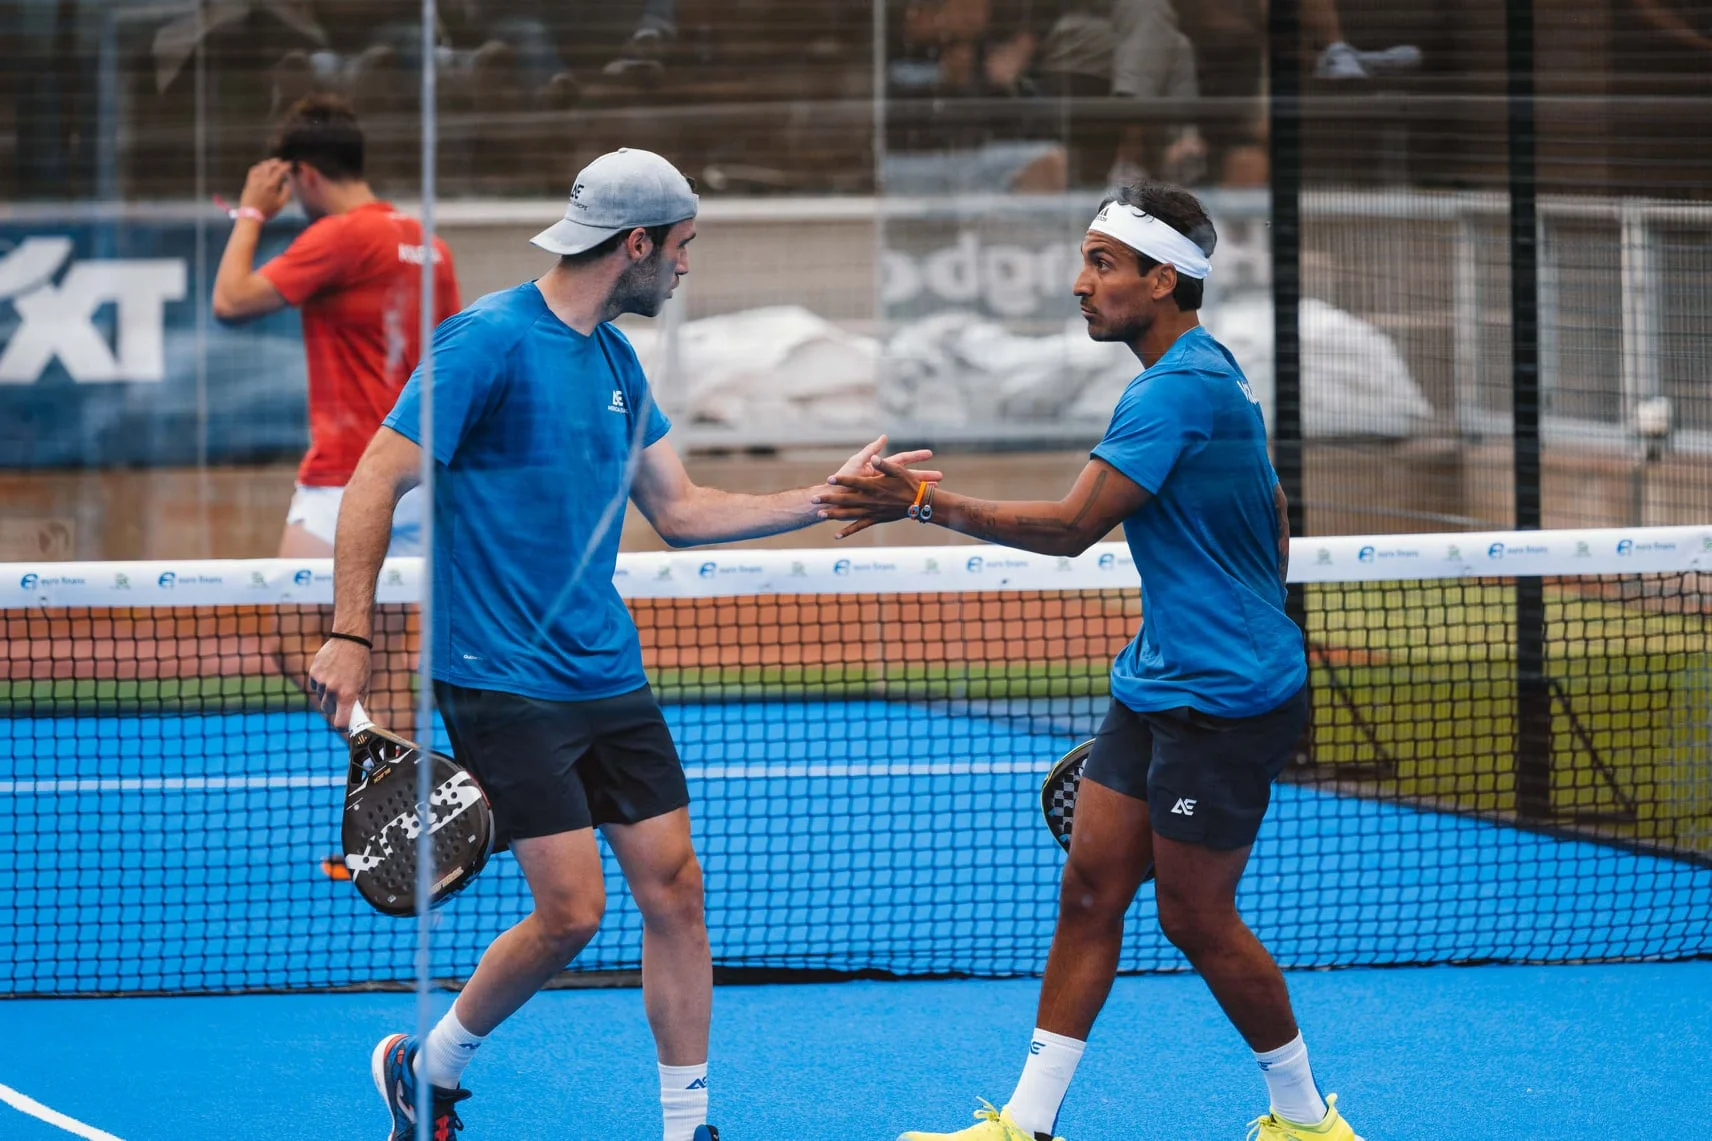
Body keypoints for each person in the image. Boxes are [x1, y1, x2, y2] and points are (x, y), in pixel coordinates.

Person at [305, 147, 939, 1141]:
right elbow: (375, 478)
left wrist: (824, 498)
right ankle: (427, 1068)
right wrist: (350, 631)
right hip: (498, 676)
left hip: (604, 670)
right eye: (681, 245)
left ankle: (686, 1127)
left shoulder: (614, 360)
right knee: (571, 912)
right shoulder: (486, 342)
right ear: (635, 243)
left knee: (675, 890)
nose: (685, 265)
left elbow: (680, 511)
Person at [815, 181, 1364, 1141]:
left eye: (1102, 264)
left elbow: (1072, 528)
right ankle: (1025, 1124)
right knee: (1090, 888)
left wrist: (922, 501)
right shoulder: (1209, 369)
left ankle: (1308, 1120)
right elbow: (1271, 505)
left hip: (1221, 700)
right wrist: (1230, 609)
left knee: (1195, 917)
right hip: (1159, 682)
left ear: (1162, 279)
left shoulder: (1175, 390)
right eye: (1084, 261)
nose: (1080, 283)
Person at [212, 93, 460, 727]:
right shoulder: (429, 245)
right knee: (384, 659)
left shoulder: (340, 236)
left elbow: (230, 301)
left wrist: (251, 211)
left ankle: (380, 754)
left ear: (303, 174)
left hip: (346, 482)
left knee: (292, 640)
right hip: (420, 476)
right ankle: (411, 784)